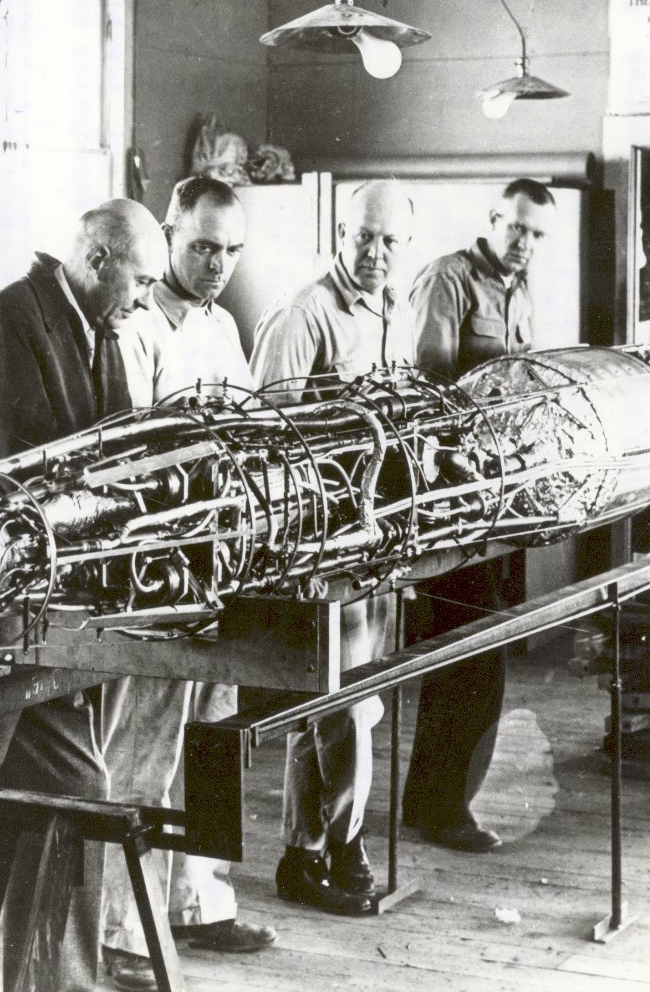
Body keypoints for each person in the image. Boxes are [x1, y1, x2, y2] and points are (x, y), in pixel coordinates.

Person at [0, 198, 165, 992]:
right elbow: (31, 477)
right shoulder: (11, 319)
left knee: (64, 796)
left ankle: (47, 983)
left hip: (45, 601)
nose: (146, 299)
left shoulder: (98, 327)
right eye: (141, 281)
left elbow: (119, 448)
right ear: (98, 260)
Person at [99, 175, 277, 991]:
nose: (217, 264)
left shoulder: (221, 324)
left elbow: (249, 427)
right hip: (158, 567)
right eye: (203, 246)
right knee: (146, 742)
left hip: (221, 560)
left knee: (211, 732)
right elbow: (130, 457)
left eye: (231, 250)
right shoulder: (137, 327)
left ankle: (200, 903)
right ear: (170, 234)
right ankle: (123, 930)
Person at [248, 179, 415, 916]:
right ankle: (342, 848)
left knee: (348, 703)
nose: (374, 253)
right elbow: (264, 439)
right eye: (362, 237)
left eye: (389, 240)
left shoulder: (391, 311)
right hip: (322, 546)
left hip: (378, 538)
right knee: (336, 707)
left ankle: (305, 851)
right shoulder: (304, 314)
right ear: (339, 235)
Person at [401, 178, 556, 853]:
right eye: (516, 227)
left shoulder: (520, 289)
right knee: (468, 657)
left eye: (537, 234)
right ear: (493, 219)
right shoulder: (449, 279)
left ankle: (435, 803)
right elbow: (428, 392)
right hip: (449, 501)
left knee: (478, 653)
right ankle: (441, 809)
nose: (524, 243)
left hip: (498, 497)